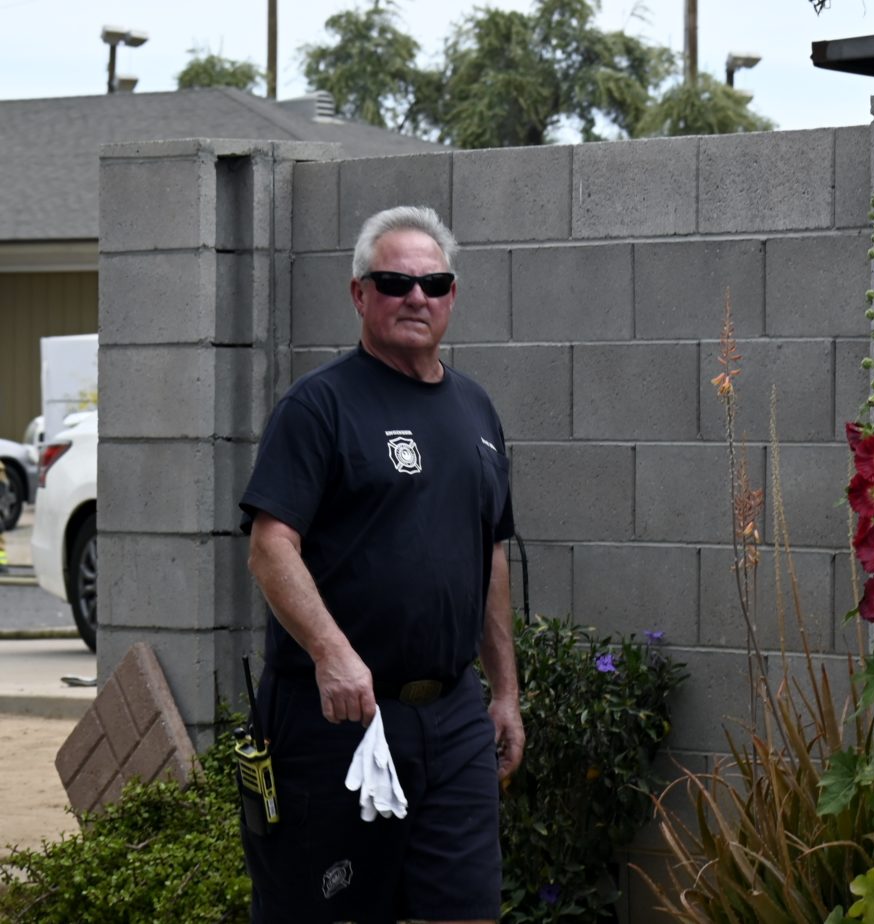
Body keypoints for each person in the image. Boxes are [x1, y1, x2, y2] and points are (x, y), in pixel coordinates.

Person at [238, 205, 524, 924]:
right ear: (360, 293)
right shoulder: (319, 407)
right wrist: (332, 653)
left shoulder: (476, 409)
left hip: (454, 720)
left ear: (453, 295)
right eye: (395, 282)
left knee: (467, 911)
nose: (416, 297)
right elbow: (270, 546)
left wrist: (505, 693)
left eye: (434, 283)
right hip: (338, 719)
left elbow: (489, 556)